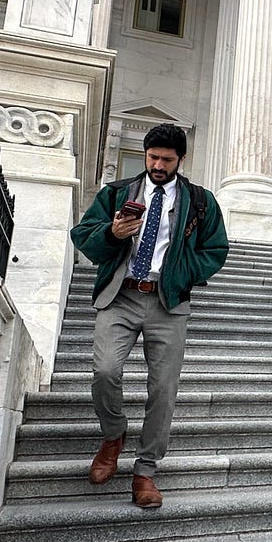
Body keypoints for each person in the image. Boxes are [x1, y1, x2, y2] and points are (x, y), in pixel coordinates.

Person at [69, 124, 229, 508]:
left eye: (167, 160)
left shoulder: (201, 201)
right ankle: (113, 436)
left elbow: (216, 249)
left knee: (162, 390)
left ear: (181, 160)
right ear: (146, 155)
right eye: (153, 157)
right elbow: (83, 235)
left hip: (166, 303)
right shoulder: (117, 193)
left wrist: (182, 273)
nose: (158, 165)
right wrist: (113, 231)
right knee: (105, 371)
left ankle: (145, 470)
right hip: (120, 296)